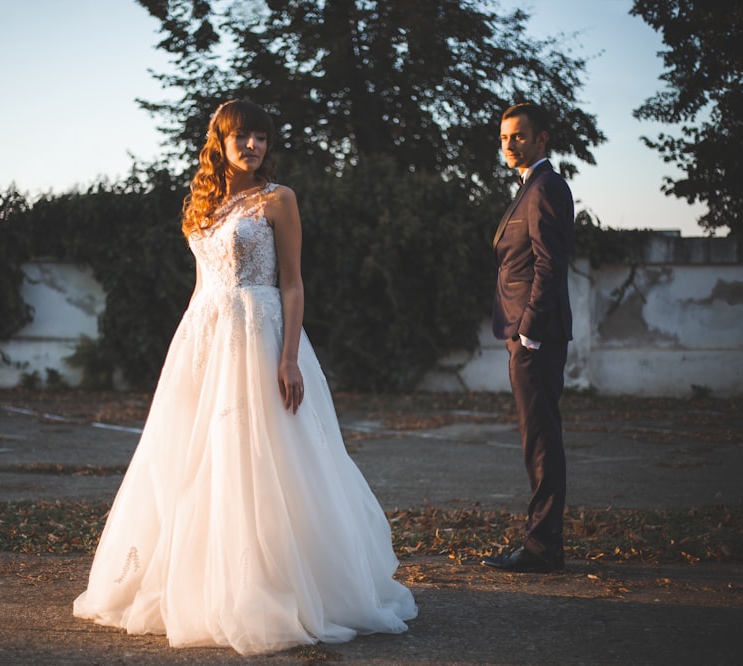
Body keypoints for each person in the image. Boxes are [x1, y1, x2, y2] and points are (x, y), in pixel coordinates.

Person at [73, 99, 417, 655]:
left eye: (261, 136)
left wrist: (287, 358)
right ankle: (202, 581)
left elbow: (293, 284)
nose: (253, 145)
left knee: (267, 458)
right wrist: (189, 350)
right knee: (195, 462)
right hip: (205, 339)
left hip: (261, 337)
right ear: (221, 141)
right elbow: (201, 286)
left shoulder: (277, 200)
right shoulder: (202, 207)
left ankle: (278, 583)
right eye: (242, 136)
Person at [481, 102, 573, 574]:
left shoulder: (546, 187)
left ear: (541, 139)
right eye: (504, 137)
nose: (510, 144)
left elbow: (549, 263)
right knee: (535, 437)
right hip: (524, 334)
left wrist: (530, 333)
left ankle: (542, 548)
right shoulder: (530, 188)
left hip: (534, 336)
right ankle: (543, 542)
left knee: (540, 440)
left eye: (518, 136)